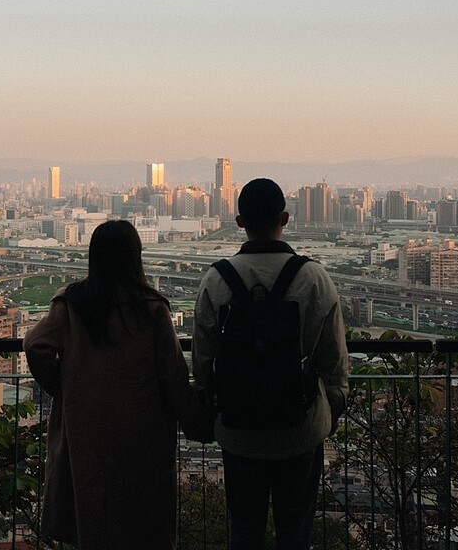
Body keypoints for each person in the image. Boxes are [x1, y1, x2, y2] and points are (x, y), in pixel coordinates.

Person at [24, 219, 209, 549]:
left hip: (86, 435)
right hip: (142, 436)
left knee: (92, 524)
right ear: (134, 257)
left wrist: (66, 387)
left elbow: (35, 344)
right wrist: (198, 422)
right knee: (141, 527)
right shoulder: (150, 308)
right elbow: (174, 377)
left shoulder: (72, 303)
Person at [192, 178, 349, 550]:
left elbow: (202, 366)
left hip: (238, 434)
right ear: (286, 218)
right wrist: (329, 411)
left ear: (239, 220)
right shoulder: (314, 278)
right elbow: (335, 366)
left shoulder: (216, 280)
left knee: (244, 534)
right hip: (300, 432)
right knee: (295, 535)